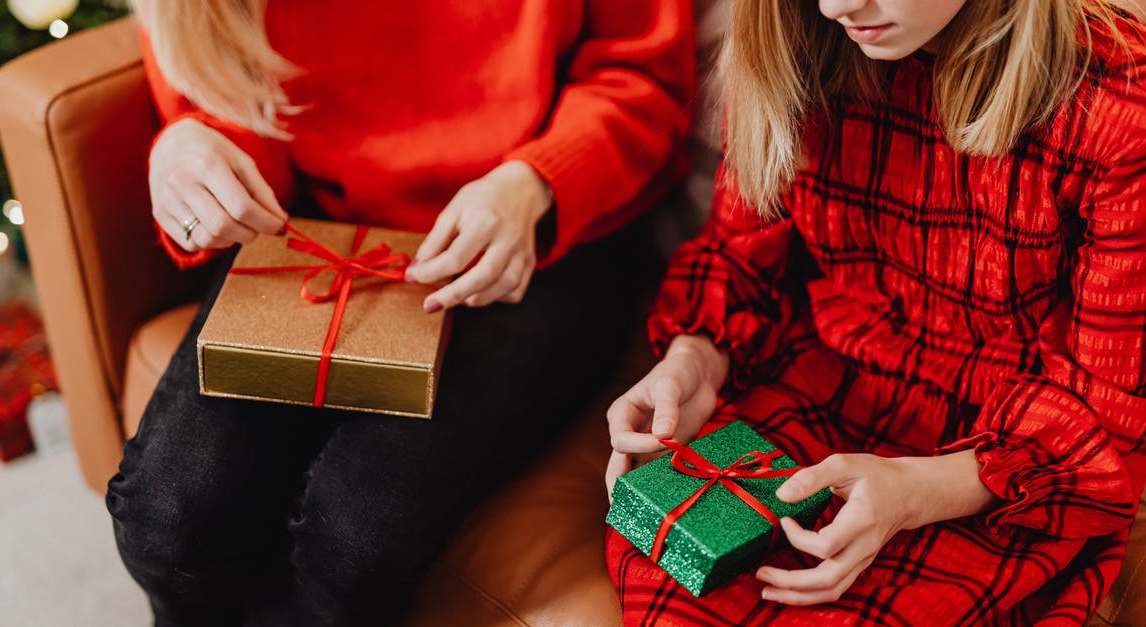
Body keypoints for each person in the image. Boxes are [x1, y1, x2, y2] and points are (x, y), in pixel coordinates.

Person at [106, 1, 694, 624]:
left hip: (540, 231)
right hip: (316, 219)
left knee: (357, 537)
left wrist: (535, 183)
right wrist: (201, 145)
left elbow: (645, 78)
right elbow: (228, 84)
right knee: (167, 518)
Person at [605, 0, 1146, 623]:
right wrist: (695, 358)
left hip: (1000, 458)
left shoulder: (1118, 100)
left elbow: (1108, 402)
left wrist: (919, 493)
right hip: (818, 387)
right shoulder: (793, 35)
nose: (838, 5)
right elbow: (739, 253)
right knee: (681, 576)